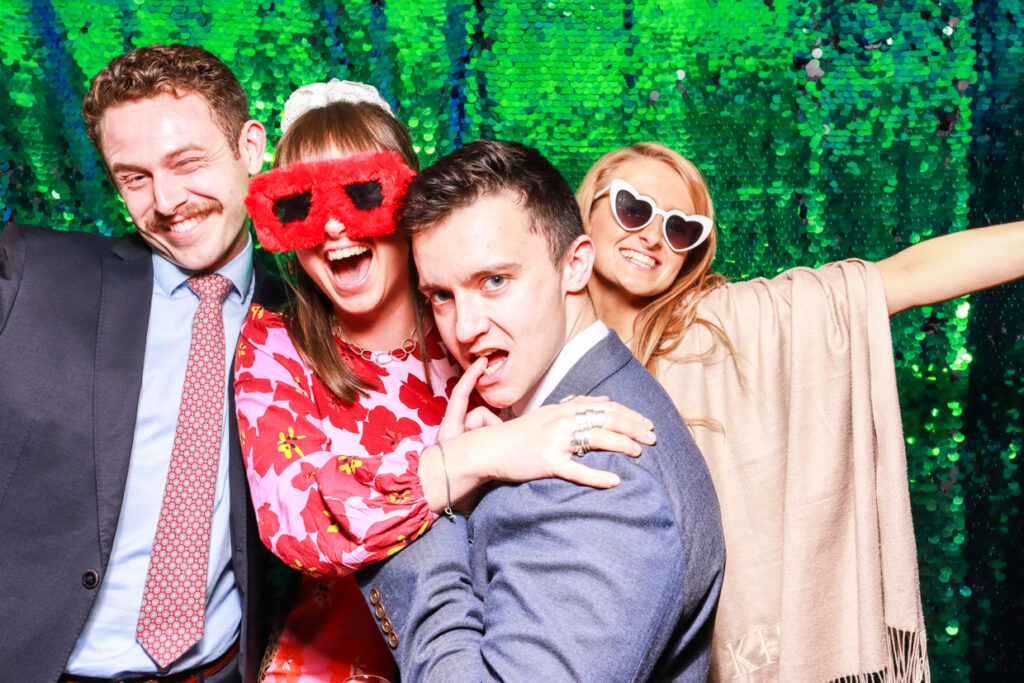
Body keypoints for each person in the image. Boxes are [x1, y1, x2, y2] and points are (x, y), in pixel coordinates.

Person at [234, 82, 656, 681]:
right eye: (301, 204)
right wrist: (478, 455)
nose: (332, 228)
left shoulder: (472, 327)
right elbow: (301, 521)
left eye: (359, 194)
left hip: (494, 648)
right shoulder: (276, 345)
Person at [575, 141, 1024, 682]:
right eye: (633, 208)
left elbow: (903, 277)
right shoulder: (527, 355)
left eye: (679, 229)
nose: (652, 235)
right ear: (586, 212)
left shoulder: (729, 326)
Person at [353, 139, 725, 681]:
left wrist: (435, 503)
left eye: (495, 281)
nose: (463, 329)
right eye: (440, 295)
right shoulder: (554, 413)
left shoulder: (603, 475)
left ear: (574, 266)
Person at [0, 44, 276, 681]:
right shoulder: (32, 273)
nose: (168, 199)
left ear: (251, 147)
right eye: (134, 177)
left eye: (187, 162)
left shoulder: (305, 316)